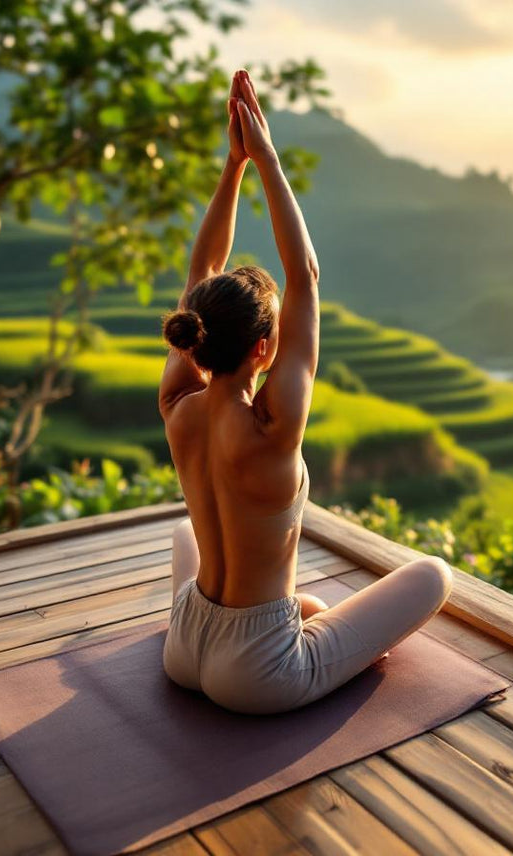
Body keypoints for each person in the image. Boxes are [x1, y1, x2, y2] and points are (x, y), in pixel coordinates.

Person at [156, 69, 453, 715]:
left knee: (191, 532)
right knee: (435, 576)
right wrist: (263, 156)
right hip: (257, 673)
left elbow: (201, 272)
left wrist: (231, 168)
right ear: (264, 349)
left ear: (194, 340)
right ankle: (307, 630)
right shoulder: (273, 427)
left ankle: (301, 617)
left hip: (185, 647)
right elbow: (306, 278)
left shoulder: (179, 405)